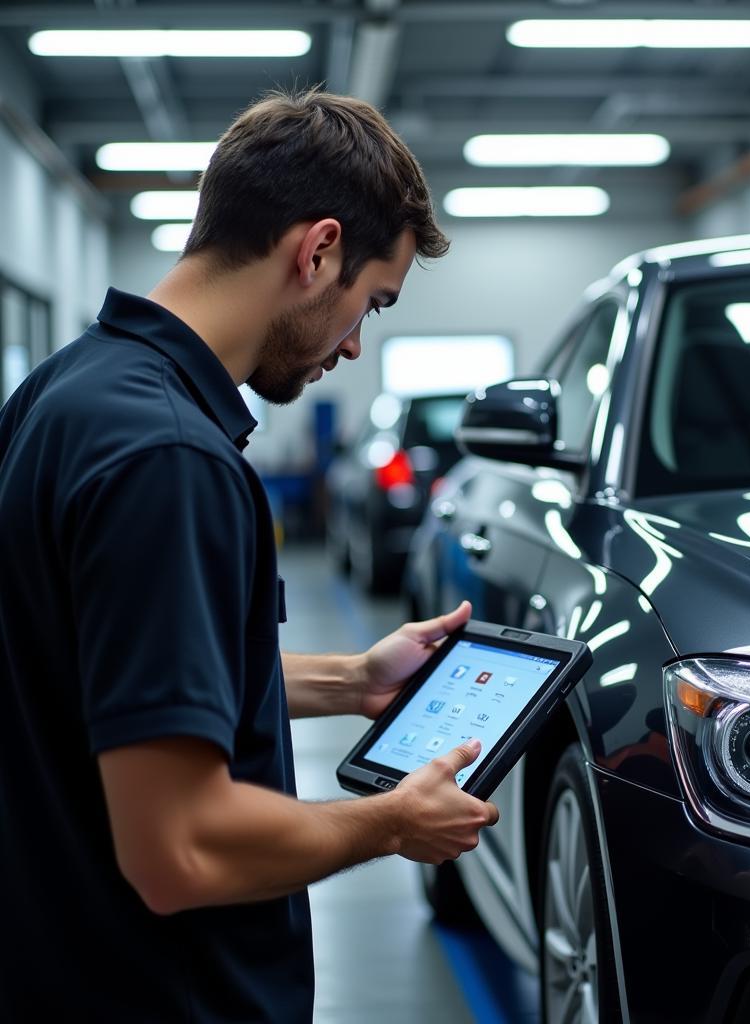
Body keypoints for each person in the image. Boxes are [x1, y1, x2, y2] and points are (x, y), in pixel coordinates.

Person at [0, 89, 499, 1022]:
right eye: (369, 303)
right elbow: (180, 850)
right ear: (316, 253)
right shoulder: (171, 458)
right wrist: (393, 821)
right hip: (158, 991)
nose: (353, 346)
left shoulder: (63, 392)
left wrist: (354, 679)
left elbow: (114, 672)